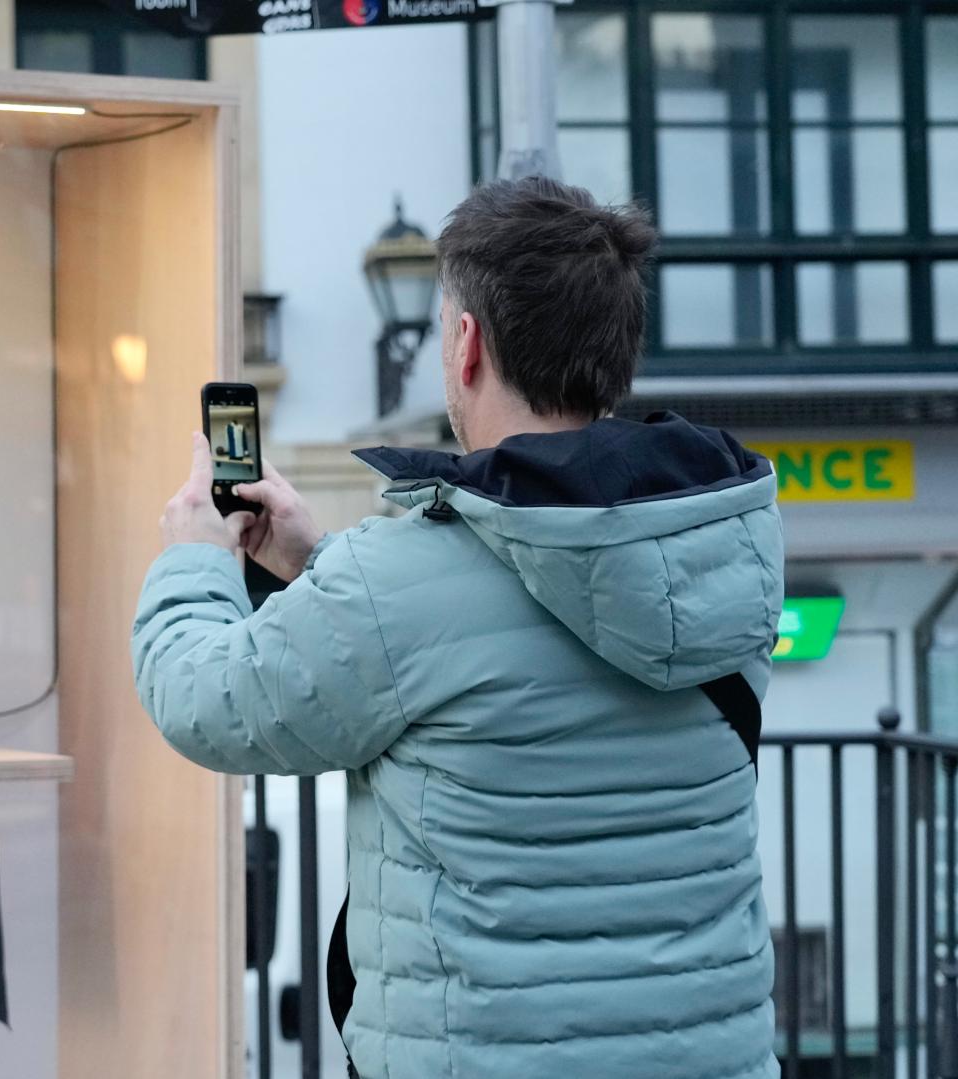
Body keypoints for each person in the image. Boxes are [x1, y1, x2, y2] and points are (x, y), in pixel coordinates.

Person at [133, 176, 783, 1079]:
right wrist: (320, 565)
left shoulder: (400, 577)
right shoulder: (718, 542)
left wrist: (196, 557)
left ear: (466, 343)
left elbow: (205, 699)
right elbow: (513, 636)